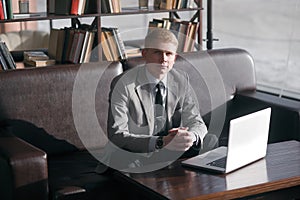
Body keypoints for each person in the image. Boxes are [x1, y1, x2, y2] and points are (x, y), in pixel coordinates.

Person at [106, 28, 211, 169]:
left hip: (169, 149)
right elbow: (117, 135)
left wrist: (190, 137)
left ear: (175, 57)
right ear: (144, 54)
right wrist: (161, 142)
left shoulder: (180, 80)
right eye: (157, 52)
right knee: (124, 159)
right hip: (137, 152)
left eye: (169, 54)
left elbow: (196, 121)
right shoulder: (124, 84)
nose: (163, 60)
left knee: (210, 141)